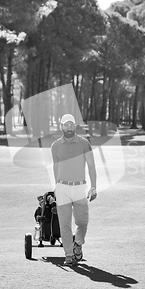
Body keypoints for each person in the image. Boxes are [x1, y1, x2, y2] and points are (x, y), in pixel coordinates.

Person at [51, 114, 97, 266]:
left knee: (82, 222)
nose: (69, 127)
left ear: (75, 126)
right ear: (61, 126)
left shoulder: (84, 144)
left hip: (79, 187)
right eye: (66, 124)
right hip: (62, 188)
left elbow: (91, 165)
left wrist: (94, 186)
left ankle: (78, 243)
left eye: (71, 124)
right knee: (65, 224)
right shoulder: (55, 146)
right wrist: (56, 186)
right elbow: (56, 166)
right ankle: (69, 255)